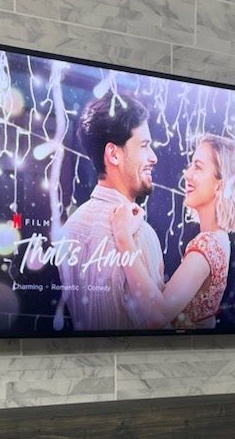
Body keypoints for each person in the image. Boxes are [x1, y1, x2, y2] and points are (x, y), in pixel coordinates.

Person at [112, 134, 235, 330]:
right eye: (191, 165)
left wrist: (123, 237)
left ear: (220, 183)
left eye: (198, 166)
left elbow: (158, 315)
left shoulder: (207, 244)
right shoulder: (220, 239)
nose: (187, 175)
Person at [57, 92, 164, 331]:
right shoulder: (139, 234)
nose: (153, 158)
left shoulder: (70, 228)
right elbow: (159, 320)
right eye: (144, 146)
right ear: (114, 154)